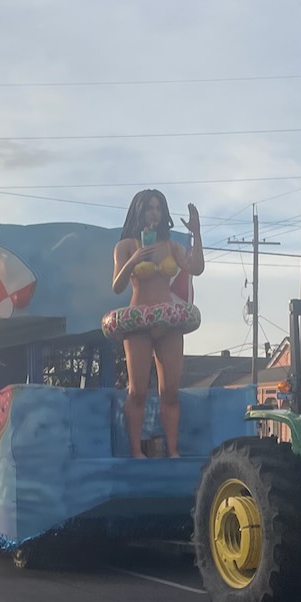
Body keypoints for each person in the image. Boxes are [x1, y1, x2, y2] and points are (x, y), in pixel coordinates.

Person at [102, 188, 204, 458]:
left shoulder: (170, 246)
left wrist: (196, 232)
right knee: (137, 391)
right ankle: (136, 451)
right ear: (140, 211)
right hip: (138, 322)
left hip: (168, 322)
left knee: (170, 390)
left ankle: (173, 450)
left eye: (159, 208)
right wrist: (134, 260)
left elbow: (197, 267)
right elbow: (117, 286)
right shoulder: (125, 246)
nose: (155, 213)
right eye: (150, 208)